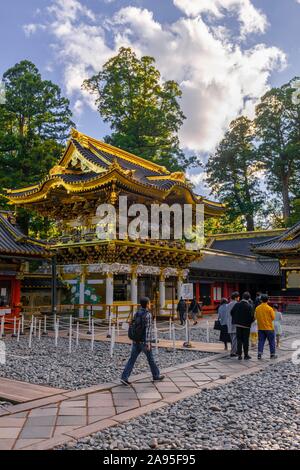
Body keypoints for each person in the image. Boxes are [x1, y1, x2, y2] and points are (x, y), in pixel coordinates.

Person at [121, 297, 165, 386]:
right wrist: (148, 342)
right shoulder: (148, 315)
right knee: (151, 359)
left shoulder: (136, 313)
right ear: (147, 304)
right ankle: (156, 375)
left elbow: (133, 324)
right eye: (149, 303)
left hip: (136, 340)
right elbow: (148, 330)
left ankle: (124, 377)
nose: (150, 304)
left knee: (131, 360)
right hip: (144, 342)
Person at [231, 292, 254, 360]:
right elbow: (252, 316)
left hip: (238, 325)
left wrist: (236, 319)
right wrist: (249, 322)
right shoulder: (249, 306)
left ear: (242, 297)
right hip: (246, 326)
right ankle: (246, 355)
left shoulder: (237, 304)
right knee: (245, 340)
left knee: (239, 340)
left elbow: (232, 312)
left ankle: (239, 355)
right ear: (248, 298)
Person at [255, 294, 276, 359]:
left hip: (260, 327)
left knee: (261, 341)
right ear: (268, 300)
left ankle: (259, 354)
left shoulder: (257, 308)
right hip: (269, 327)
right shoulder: (270, 308)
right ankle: (272, 354)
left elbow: (255, 317)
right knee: (271, 341)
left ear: (261, 300)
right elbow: (273, 317)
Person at [225, 291, 240, 357]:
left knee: (232, 338)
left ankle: (234, 350)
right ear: (236, 298)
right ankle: (233, 352)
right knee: (235, 338)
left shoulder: (228, 304)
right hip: (235, 322)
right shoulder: (237, 304)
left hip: (229, 322)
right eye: (238, 297)